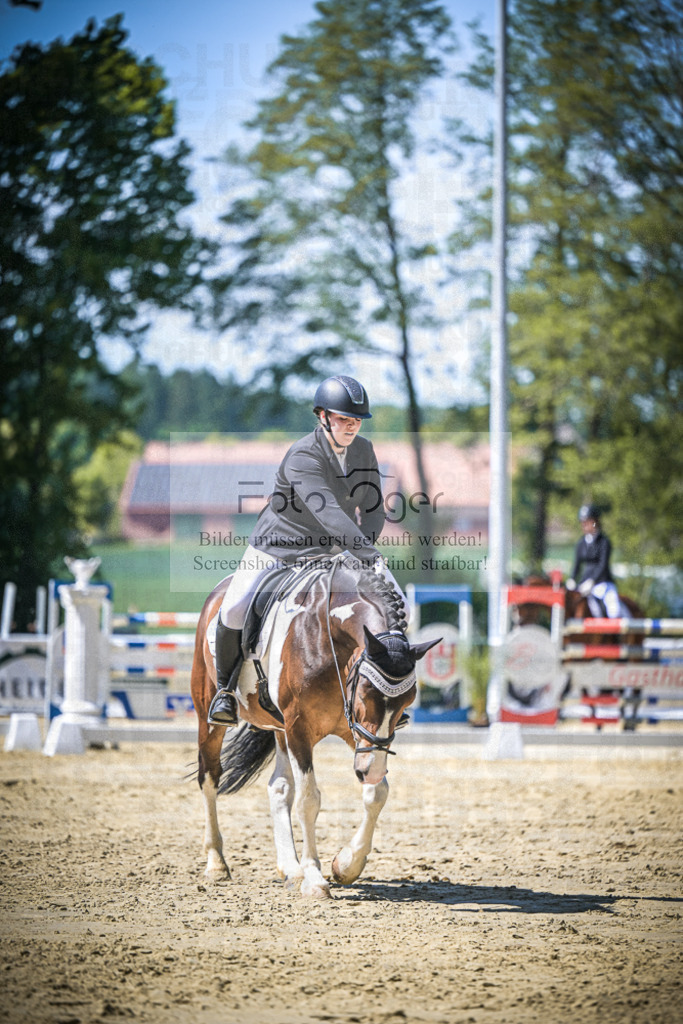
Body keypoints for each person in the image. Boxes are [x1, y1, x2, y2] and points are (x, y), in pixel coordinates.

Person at [208, 374, 406, 725]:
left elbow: (373, 509)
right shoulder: (303, 455)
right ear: (322, 416)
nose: (351, 426)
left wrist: (365, 550)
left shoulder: (364, 451)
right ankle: (225, 691)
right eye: (343, 419)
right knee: (235, 606)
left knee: (397, 600)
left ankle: (387, 686)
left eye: (356, 420)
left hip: (335, 550)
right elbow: (328, 510)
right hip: (279, 548)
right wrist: (365, 554)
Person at [566, 504, 620, 617]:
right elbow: (577, 565)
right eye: (583, 522)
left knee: (614, 611)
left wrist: (593, 581)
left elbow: (603, 565)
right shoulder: (581, 543)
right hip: (584, 585)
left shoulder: (604, 542)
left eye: (587, 522)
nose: (584, 525)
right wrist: (571, 579)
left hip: (603, 584)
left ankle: (616, 634)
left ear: (595, 522)